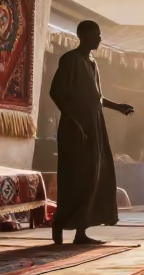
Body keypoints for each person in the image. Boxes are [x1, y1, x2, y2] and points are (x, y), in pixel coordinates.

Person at [49, 20, 134, 245]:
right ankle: (58, 226)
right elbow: (55, 92)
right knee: (74, 179)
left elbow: (97, 98)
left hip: (95, 127)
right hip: (75, 129)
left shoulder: (93, 63)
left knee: (93, 179)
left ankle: (81, 232)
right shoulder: (70, 60)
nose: (99, 39)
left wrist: (119, 107)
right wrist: (72, 120)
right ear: (84, 35)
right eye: (96, 34)